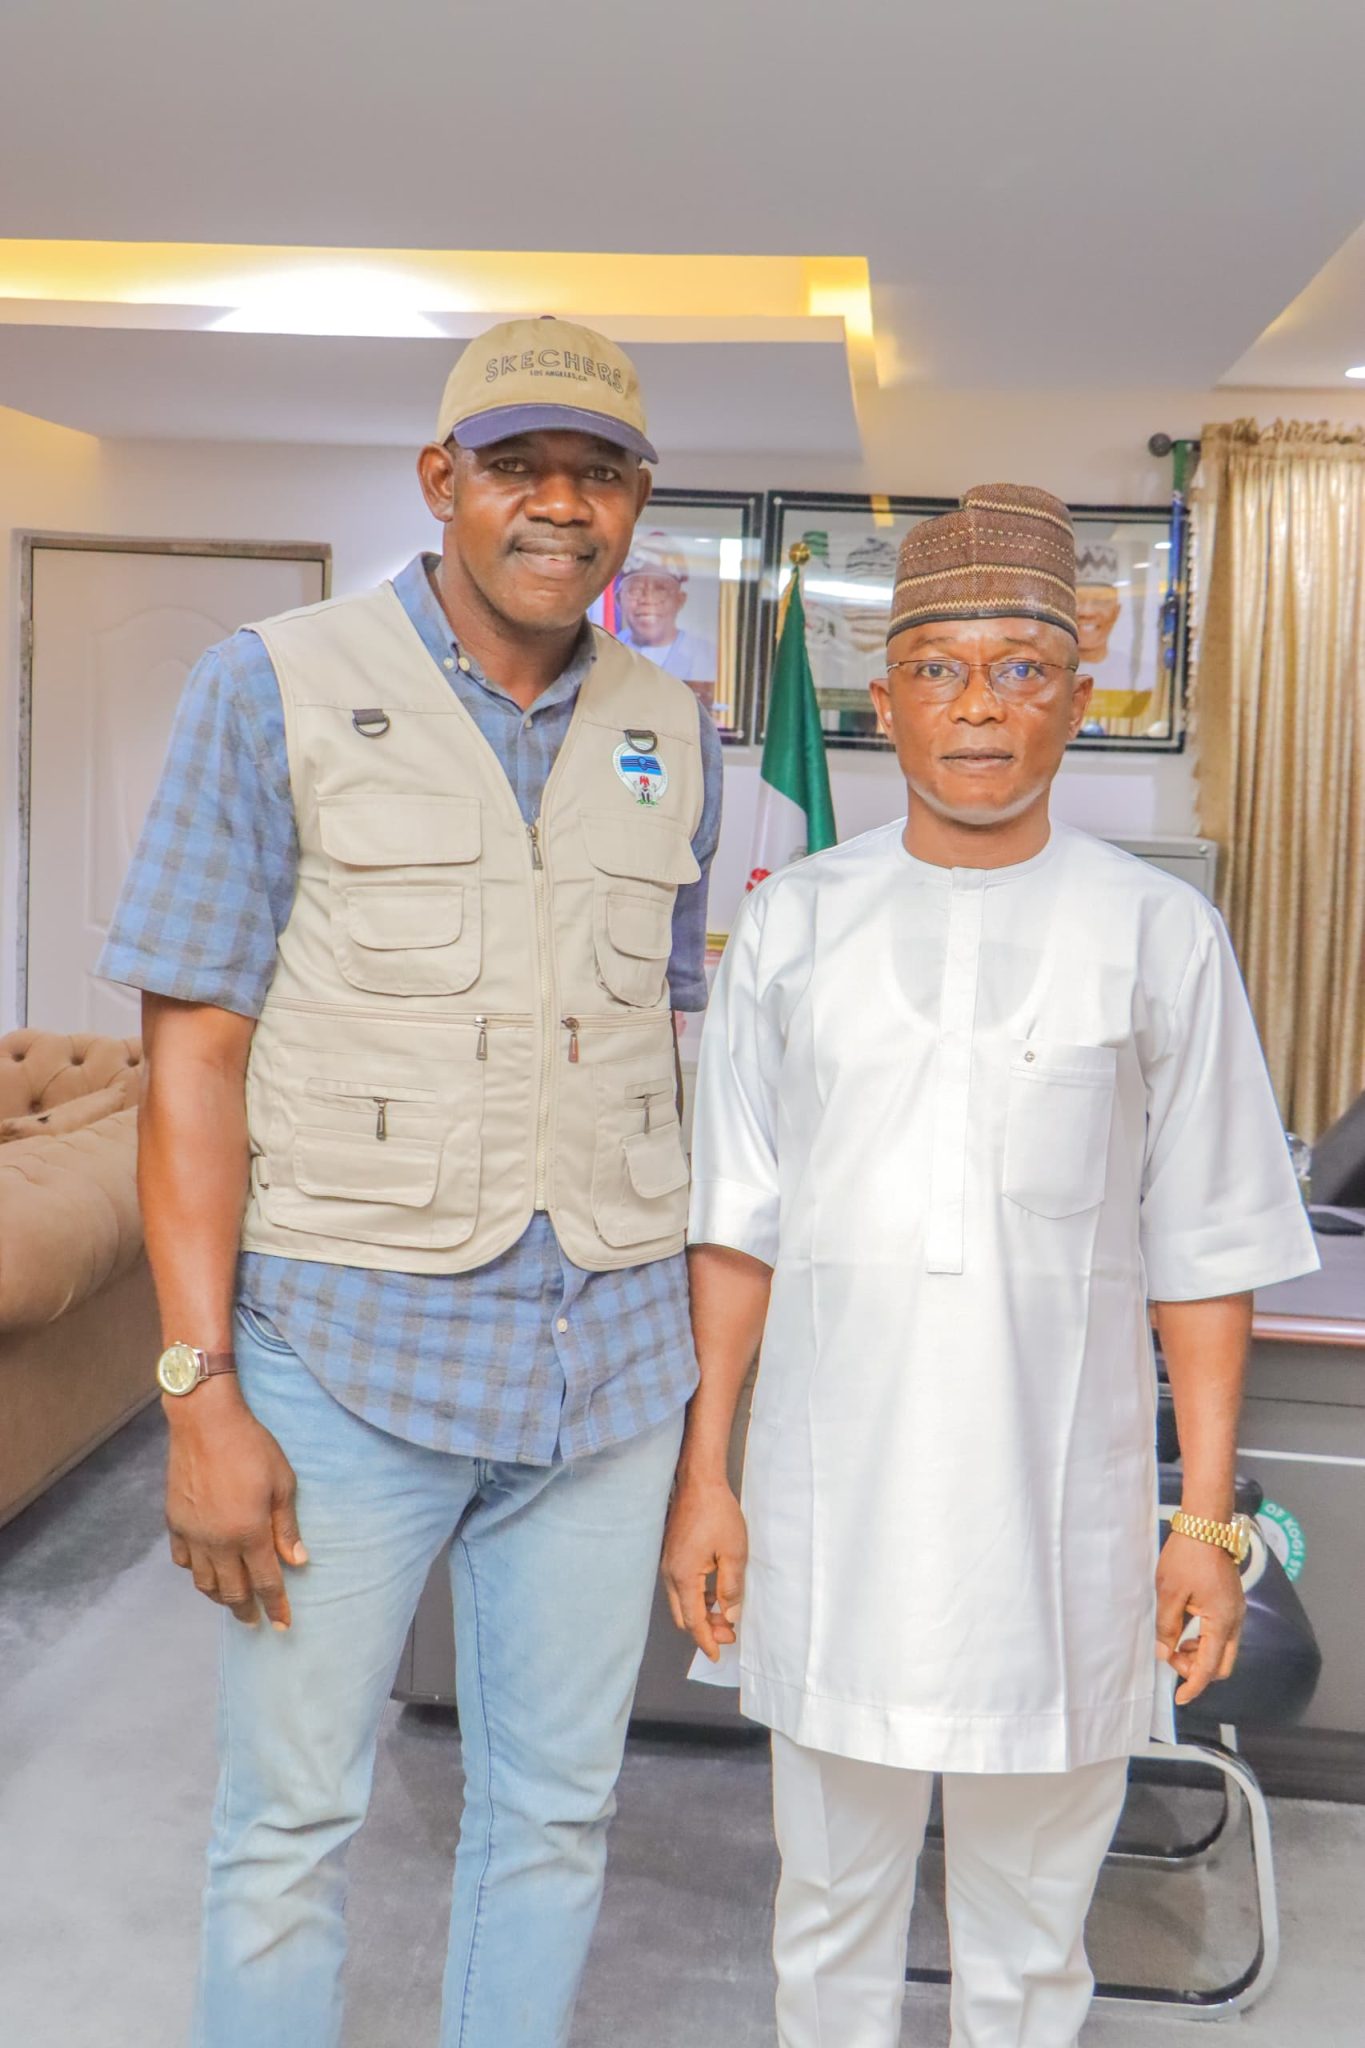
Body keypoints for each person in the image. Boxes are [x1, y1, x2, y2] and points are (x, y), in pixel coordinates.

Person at [99, 315, 723, 2048]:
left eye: (601, 473)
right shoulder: (268, 684)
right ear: (442, 479)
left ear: (635, 503)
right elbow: (193, 1060)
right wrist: (198, 1389)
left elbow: (660, 1034)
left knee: (558, 1816)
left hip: (607, 1369)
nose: (561, 504)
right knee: (289, 1827)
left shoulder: (670, 720)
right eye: (519, 465)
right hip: (341, 1362)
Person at [663, 482, 1317, 2048]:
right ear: (883, 700)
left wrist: (1204, 1523)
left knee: (1031, 1952)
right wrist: (707, 1478)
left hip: (1060, 1534)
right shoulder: (793, 929)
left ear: (1076, 701)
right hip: (830, 1517)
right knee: (827, 1928)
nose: (976, 706)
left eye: (1019, 670)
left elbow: (1207, 1244)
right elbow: (736, 1225)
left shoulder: (1158, 935)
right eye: (938, 668)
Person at [616, 529, 718, 693]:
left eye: (660, 589)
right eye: (635, 589)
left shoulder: (707, 655)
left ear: (680, 600)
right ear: (619, 600)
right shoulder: (603, 652)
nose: (647, 599)